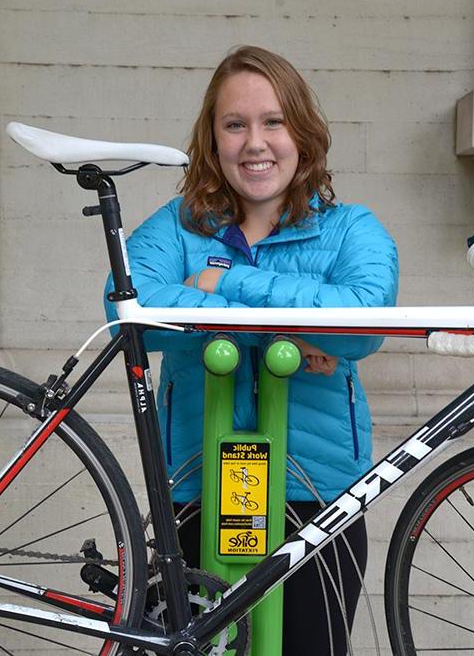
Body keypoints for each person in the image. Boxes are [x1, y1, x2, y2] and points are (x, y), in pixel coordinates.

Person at [105, 45, 398, 654]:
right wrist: (289, 326)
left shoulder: (352, 228)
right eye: (234, 125)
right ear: (213, 142)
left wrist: (222, 283)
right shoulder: (177, 225)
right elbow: (126, 312)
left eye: (273, 121)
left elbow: (365, 325)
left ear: (303, 132)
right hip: (194, 483)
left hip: (317, 493)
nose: (255, 142)